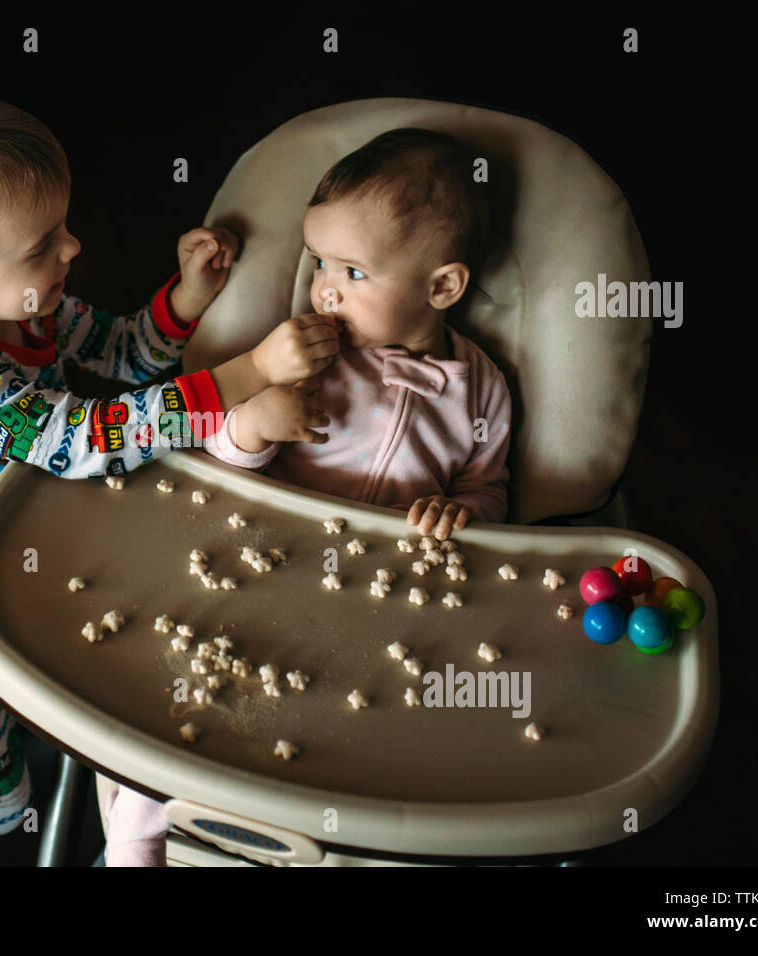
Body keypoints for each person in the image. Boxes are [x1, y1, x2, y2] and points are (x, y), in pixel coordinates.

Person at [0, 88, 337, 843]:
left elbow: (128, 355)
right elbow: (87, 440)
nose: (71, 249)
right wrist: (249, 370)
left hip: (14, 561)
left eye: (62, 228)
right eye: (41, 244)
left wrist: (188, 296)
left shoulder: (28, 305)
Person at [104, 127, 510, 865]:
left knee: (378, 719)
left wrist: (466, 513)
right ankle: (136, 835)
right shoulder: (304, 351)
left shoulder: (481, 388)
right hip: (267, 560)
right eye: (319, 261)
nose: (324, 286)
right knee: (186, 688)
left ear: (442, 287)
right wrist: (256, 425)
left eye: (352, 271)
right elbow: (218, 454)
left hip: (386, 592)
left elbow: (489, 489)